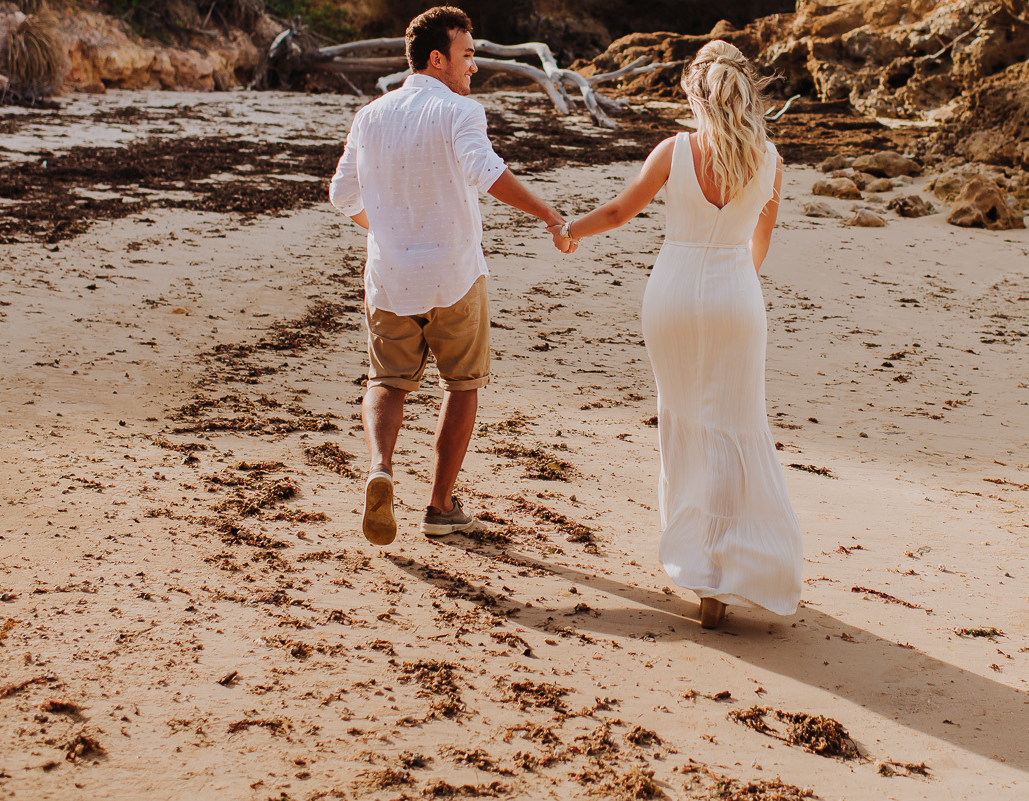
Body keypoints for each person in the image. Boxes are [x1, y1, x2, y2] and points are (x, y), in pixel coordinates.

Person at [552, 40, 803, 629]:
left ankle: (699, 568)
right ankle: (730, 572)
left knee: (683, 422)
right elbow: (758, 243)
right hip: (735, 297)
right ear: (745, 93)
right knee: (736, 427)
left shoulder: (674, 150)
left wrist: (570, 230)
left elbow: (618, 212)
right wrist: (733, 285)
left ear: (695, 92)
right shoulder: (769, 159)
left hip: (670, 296)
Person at [329, 6, 574, 546]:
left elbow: (341, 194)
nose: (475, 68)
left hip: (389, 276)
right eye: (467, 56)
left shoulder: (370, 115)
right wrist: (551, 216)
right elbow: (486, 172)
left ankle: (381, 469)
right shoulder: (460, 112)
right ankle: (439, 506)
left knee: (386, 382)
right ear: (438, 58)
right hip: (455, 276)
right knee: (462, 385)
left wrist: (384, 229)